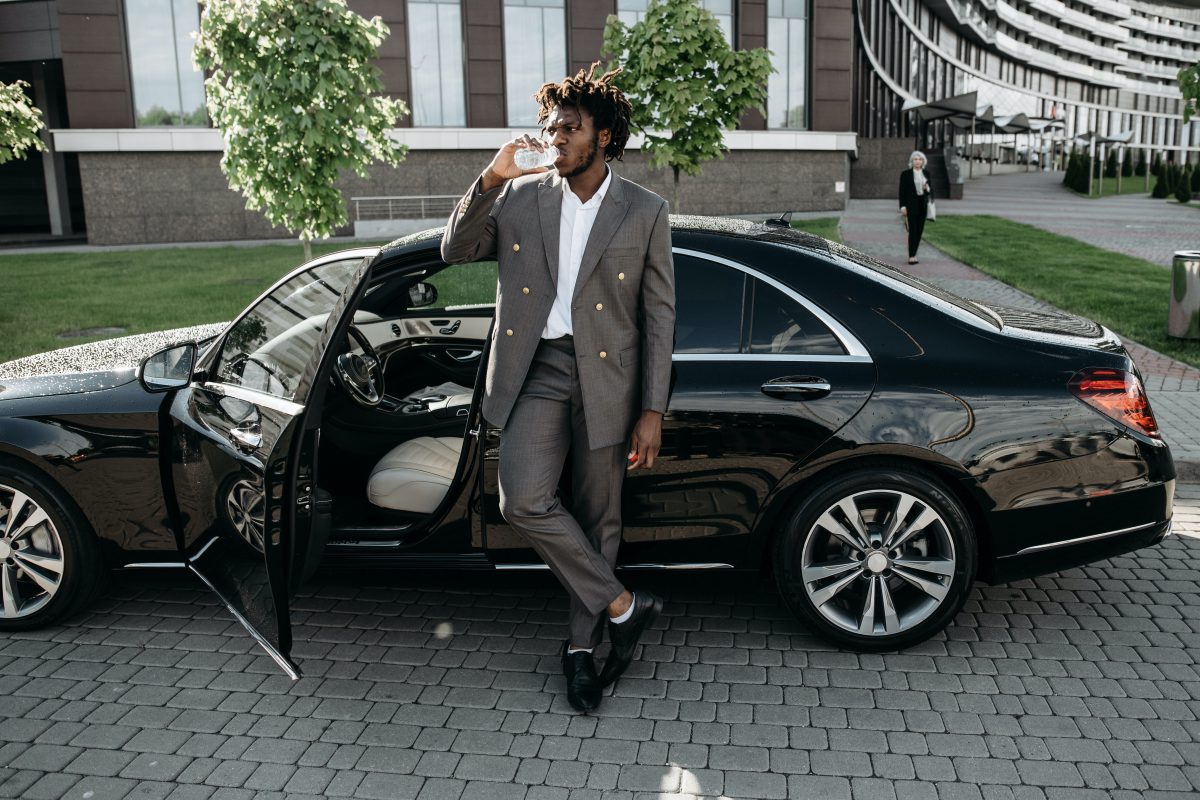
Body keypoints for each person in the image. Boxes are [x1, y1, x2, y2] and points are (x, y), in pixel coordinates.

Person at [441, 63, 675, 713]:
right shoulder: (519, 196)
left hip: (611, 380)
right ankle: (625, 607)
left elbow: (660, 316)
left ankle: (581, 650)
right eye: (550, 125)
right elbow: (454, 249)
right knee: (524, 497)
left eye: (570, 127)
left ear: (603, 137)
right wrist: (490, 176)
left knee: (601, 517)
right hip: (536, 371)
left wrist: (652, 409)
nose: (556, 136)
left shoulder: (646, 211)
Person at [899, 150, 934, 265]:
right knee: (912, 230)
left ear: (923, 161)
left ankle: (914, 253)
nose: (917, 161)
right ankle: (912, 256)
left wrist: (927, 188)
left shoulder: (927, 174)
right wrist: (902, 206)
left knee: (919, 231)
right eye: (915, 159)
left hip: (922, 205)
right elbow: (901, 192)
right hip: (911, 205)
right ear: (912, 161)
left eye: (920, 159)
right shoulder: (906, 174)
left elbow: (931, 192)